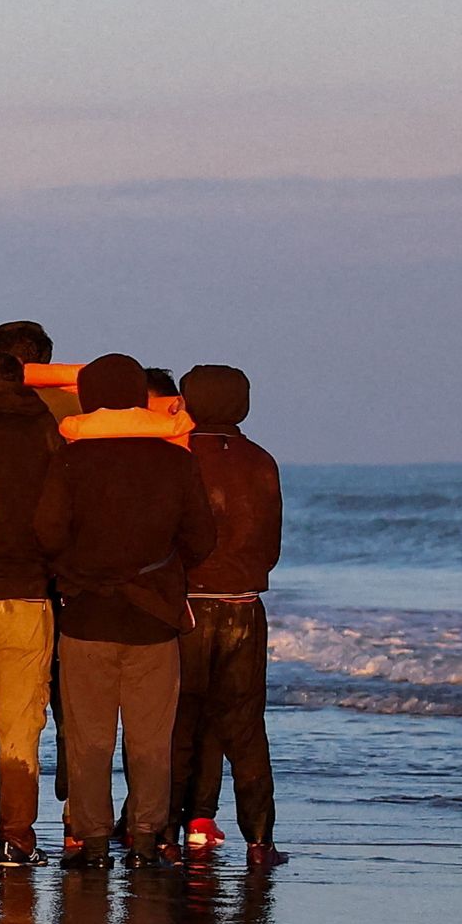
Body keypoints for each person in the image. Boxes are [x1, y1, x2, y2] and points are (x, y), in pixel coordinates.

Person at [35, 354, 216, 868]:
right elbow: (202, 538)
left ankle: (92, 841)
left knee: (90, 737)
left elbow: (47, 533)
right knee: (151, 738)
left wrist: (76, 571)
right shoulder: (175, 460)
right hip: (154, 617)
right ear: (139, 395)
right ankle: (145, 837)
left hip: (88, 615)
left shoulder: (68, 460)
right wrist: (164, 569)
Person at [174, 363, 286, 864]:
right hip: (244, 606)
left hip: (186, 606)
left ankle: (168, 833)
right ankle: (260, 840)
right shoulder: (261, 460)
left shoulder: (178, 455)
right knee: (243, 727)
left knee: (179, 723)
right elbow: (270, 546)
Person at [0, 346, 63, 865]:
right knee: (23, 723)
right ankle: (17, 835)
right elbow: (58, 509)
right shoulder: (46, 426)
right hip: (29, 592)